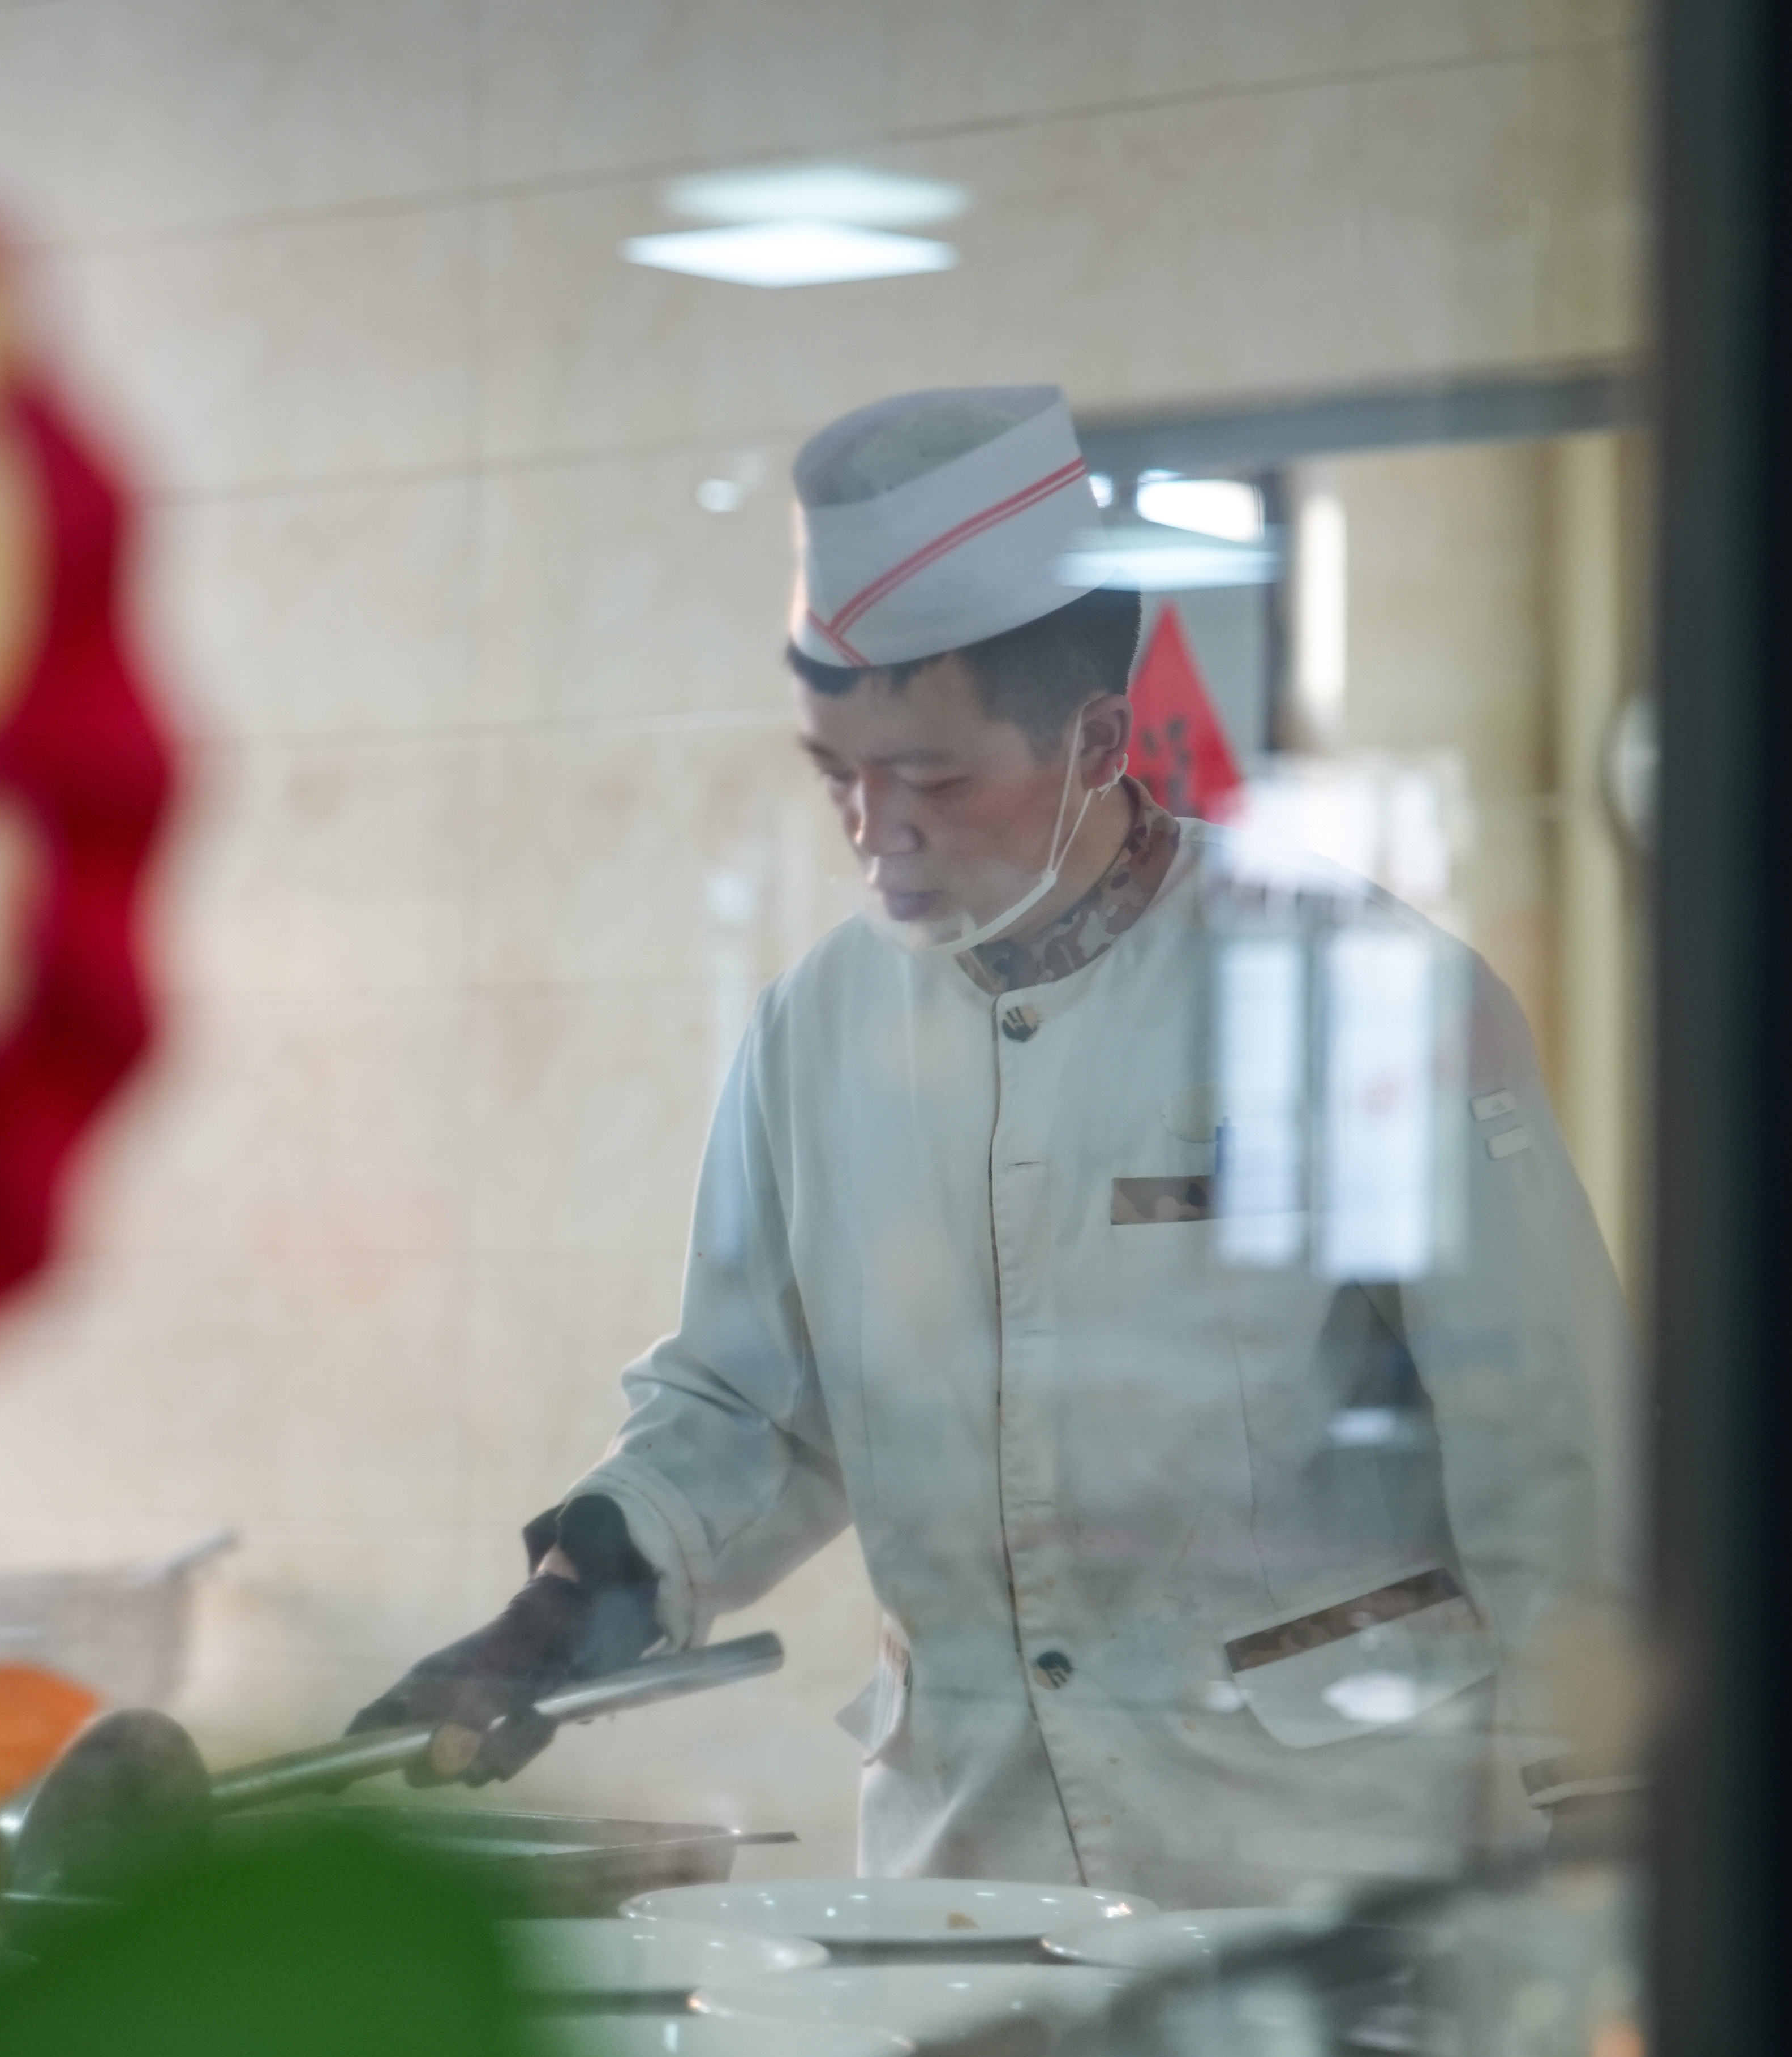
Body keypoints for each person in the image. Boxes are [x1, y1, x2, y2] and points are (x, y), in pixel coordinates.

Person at [352, 387, 1638, 1906]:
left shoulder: (1354, 989)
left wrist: (1607, 1835)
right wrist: (569, 1610)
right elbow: (750, 1411)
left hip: (1324, 1863)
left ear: (1096, 739)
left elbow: (1546, 1435)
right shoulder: (817, 1028)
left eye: (935, 779)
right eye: (837, 773)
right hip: (969, 1861)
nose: (874, 831)